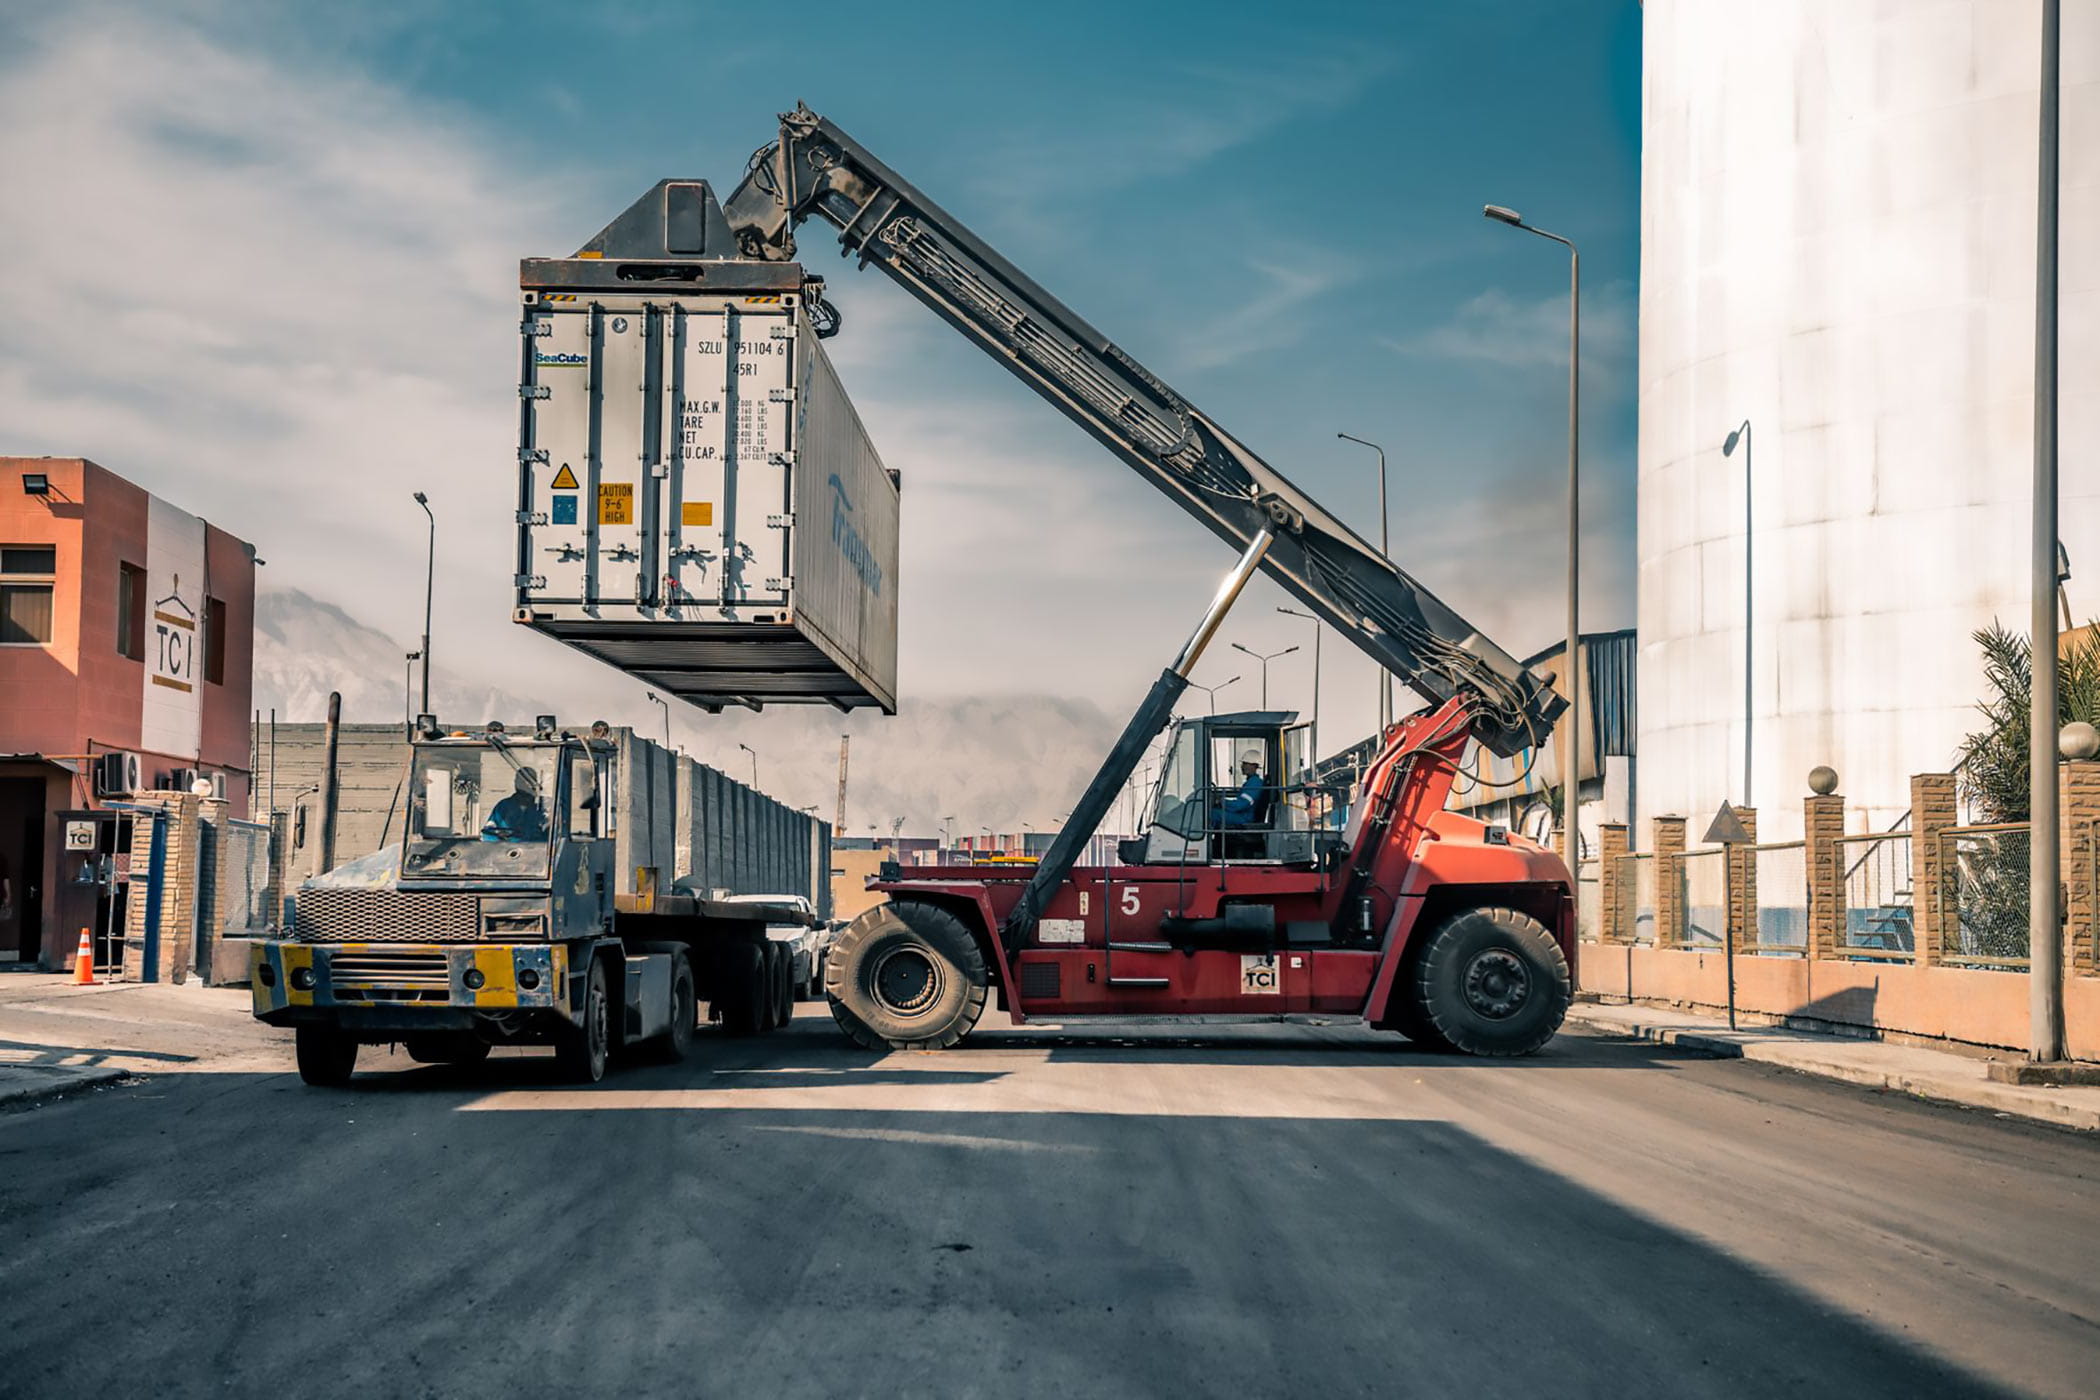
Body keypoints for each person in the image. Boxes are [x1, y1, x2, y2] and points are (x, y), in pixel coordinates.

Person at [482, 768, 549, 841]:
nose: (525, 785)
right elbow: (488, 834)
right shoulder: (503, 807)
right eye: (521, 781)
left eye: (528, 782)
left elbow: (551, 838)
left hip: (536, 848)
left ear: (535, 784)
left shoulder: (543, 809)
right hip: (506, 847)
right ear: (515, 783)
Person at [1216, 751, 1269, 829]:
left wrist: (1221, 802)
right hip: (1244, 815)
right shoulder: (1251, 782)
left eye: (1245, 763)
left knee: (1213, 814)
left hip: (1245, 817)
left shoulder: (1254, 783)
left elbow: (1240, 805)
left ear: (1254, 766)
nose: (1242, 766)